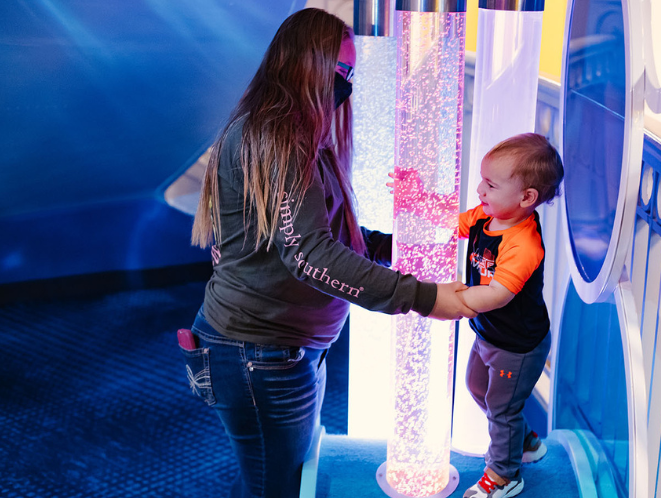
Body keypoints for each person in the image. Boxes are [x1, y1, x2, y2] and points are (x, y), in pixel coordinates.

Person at [184, 8, 475, 498]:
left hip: (279, 352)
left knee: (273, 479)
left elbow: (321, 233)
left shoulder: (295, 137)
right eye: (341, 74)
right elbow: (311, 256)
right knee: (273, 486)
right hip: (259, 355)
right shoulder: (273, 138)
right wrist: (423, 297)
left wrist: (400, 245)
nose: (348, 87)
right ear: (306, 66)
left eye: (351, 74)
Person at [392, 133, 563, 498]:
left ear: (526, 198)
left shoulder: (524, 243)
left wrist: (449, 299)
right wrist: (417, 198)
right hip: (489, 335)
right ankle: (524, 441)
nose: (479, 189)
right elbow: (451, 220)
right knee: (478, 387)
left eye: (490, 184)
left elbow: (498, 294)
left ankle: (504, 475)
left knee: (501, 410)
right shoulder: (488, 217)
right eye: (482, 180)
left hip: (517, 346)